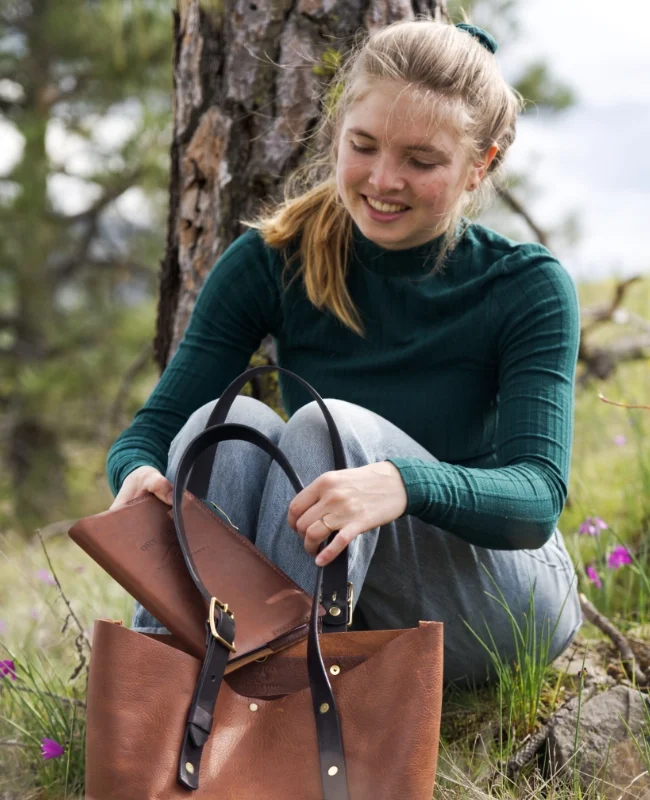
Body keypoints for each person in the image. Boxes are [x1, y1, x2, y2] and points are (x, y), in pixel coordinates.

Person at [107, 17, 582, 686]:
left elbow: (536, 500)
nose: (384, 180)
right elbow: (151, 434)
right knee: (224, 430)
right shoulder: (273, 260)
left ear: (483, 165)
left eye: (421, 162)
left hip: (502, 600)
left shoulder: (525, 286)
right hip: (340, 582)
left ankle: (273, 708)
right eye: (364, 146)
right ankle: (163, 700)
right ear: (337, 134)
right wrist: (137, 477)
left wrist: (401, 484)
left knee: (331, 429)